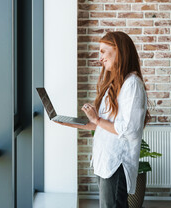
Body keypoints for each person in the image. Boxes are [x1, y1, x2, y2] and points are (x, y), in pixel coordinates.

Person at [54, 31, 151, 208]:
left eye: (103, 51)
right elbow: (104, 125)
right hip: (106, 160)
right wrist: (69, 122)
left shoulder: (132, 84)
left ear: (119, 51)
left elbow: (129, 130)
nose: (101, 58)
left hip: (116, 163)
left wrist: (97, 120)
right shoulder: (115, 84)